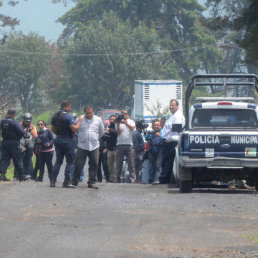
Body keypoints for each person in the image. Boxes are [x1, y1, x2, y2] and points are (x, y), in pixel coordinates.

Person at [51, 99, 82, 188]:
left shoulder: (55, 115)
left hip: (58, 139)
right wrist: (79, 121)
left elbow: (52, 128)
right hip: (68, 140)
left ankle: (52, 181)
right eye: (70, 106)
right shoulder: (68, 116)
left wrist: (59, 134)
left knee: (58, 161)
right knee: (70, 162)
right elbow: (75, 129)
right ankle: (66, 182)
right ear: (67, 106)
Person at [72, 106, 104, 189]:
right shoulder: (80, 119)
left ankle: (92, 182)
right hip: (82, 145)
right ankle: (75, 181)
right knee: (79, 164)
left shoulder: (98, 120)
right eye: (87, 113)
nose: (89, 115)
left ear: (93, 112)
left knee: (94, 164)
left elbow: (101, 132)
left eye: (90, 113)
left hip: (94, 146)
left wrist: (95, 138)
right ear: (84, 112)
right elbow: (75, 130)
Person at [160, 99, 185, 185]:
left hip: (171, 142)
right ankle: (166, 179)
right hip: (167, 141)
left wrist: (169, 139)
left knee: (168, 162)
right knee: (165, 161)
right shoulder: (172, 115)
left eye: (173, 105)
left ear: (177, 106)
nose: (171, 107)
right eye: (170, 105)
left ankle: (164, 180)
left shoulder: (177, 116)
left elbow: (177, 131)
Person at [0, 108, 25, 181]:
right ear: (14, 114)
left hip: (4, 142)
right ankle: (21, 176)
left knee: (4, 159)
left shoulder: (2, 121)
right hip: (14, 143)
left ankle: (2, 175)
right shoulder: (14, 122)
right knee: (17, 159)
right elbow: (22, 132)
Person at [115, 110, 136, 183]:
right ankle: (117, 179)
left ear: (128, 115)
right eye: (123, 114)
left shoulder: (131, 121)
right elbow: (118, 132)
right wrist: (118, 124)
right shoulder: (118, 121)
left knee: (131, 164)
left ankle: (132, 179)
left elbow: (133, 128)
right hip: (120, 145)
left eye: (126, 114)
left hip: (129, 144)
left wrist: (125, 123)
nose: (124, 115)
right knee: (118, 163)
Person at [17, 113, 37, 180]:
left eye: (28, 121)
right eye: (26, 121)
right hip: (21, 144)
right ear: (23, 120)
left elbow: (36, 136)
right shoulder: (19, 125)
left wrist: (31, 132)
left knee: (28, 159)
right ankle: (18, 175)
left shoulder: (32, 126)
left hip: (29, 144)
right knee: (19, 159)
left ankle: (27, 174)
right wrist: (23, 131)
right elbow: (16, 134)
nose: (27, 122)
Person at [145, 120, 163, 184]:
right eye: (155, 125)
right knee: (152, 166)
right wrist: (148, 134)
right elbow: (146, 138)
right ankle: (151, 179)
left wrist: (160, 136)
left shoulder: (162, 132)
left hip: (159, 151)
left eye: (157, 125)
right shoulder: (152, 132)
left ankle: (157, 179)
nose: (156, 126)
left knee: (158, 166)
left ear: (160, 126)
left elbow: (165, 139)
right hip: (152, 151)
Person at [101, 115, 117, 182]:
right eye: (111, 119)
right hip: (109, 149)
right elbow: (104, 138)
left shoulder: (116, 127)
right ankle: (112, 178)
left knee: (117, 165)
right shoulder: (108, 127)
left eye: (113, 119)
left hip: (116, 148)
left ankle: (117, 178)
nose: (112, 120)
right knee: (110, 165)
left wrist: (109, 130)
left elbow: (116, 133)